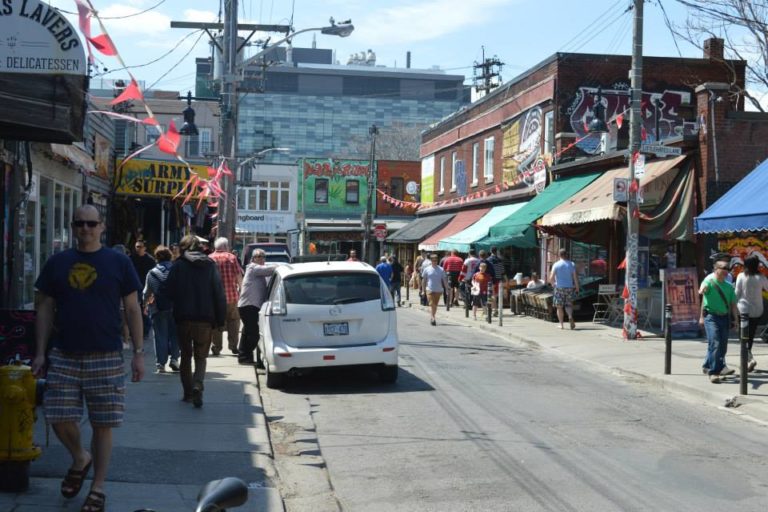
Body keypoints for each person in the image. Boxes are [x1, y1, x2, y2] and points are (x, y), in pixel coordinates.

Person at [32, 205, 144, 512]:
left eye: (91, 223)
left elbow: (133, 309)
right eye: (80, 223)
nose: (86, 228)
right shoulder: (58, 262)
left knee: (102, 424)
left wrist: (138, 353)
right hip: (64, 353)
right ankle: (81, 457)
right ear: (72, 226)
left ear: (102, 227)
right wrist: (40, 353)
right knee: (57, 415)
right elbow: (44, 308)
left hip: (106, 354)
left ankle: (98, 487)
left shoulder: (118, 262)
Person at [166, 235, 226, 408]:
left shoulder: (178, 265)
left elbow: (168, 291)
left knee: (186, 356)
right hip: (205, 320)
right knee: (201, 357)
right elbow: (219, 295)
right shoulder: (210, 265)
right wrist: (220, 320)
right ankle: (198, 383)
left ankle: (187, 394)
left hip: (183, 319)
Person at [700, 260, 738, 383]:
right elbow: (702, 291)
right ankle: (714, 372)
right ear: (716, 269)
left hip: (724, 317)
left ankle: (708, 365)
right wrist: (702, 290)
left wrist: (736, 320)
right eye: (723, 268)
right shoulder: (709, 282)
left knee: (722, 345)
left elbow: (733, 305)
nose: (726, 270)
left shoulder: (729, 287)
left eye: (727, 268)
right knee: (715, 342)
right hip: (711, 317)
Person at [143, 245, 179, 374]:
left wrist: (144, 305)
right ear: (170, 256)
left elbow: (146, 292)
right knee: (175, 335)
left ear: (156, 258)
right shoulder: (176, 270)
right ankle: (174, 359)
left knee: (160, 336)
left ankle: (161, 364)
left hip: (158, 308)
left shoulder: (152, 273)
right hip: (176, 308)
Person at [237, 249, 276, 366]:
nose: (261, 258)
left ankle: (244, 357)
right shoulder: (253, 268)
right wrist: (283, 266)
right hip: (249, 305)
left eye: (263, 256)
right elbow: (269, 269)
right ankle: (245, 356)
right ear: (253, 258)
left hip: (252, 306)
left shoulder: (260, 271)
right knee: (253, 333)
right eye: (258, 256)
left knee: (247, 332)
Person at [208, 237, 244, 356]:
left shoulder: (210, 258)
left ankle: (217, 347)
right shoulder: (231, 258)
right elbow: (239, 276)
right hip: (232, 296)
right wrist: (242, 290)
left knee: (217, 322)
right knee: (233, 321)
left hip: (214, 299)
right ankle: (233, 346)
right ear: (226, 246)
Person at [735, 254, 768, 372]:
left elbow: (737, 293)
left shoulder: (741, 276)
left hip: (743, 310)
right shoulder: (761, 277)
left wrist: (732, 307)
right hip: (758, 310)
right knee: (751, 335)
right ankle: (747, 360)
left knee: (742, 336)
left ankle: (748, 359)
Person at [130, 240, 156, 341]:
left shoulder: (150, 260)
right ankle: (135, 332)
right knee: (134, 310)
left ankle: (145, 331)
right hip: (134, 288)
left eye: (140, 247)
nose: (138, 249)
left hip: (146, 288)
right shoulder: (131, 258)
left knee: (144, 310)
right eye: (137, 246)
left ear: (145, 248)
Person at [549, 248, 580, 330]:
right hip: (569, 287)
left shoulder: (556, 264)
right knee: (568, 305)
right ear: (566, 255)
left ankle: (561, 325)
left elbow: (551, 277)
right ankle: (570, 316)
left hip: (559, 287)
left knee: (559, 307)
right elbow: (575, 277)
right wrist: (577, 287)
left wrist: (553, 284)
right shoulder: (571, 264)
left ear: (559, 255)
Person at [421, 253, 449, 326]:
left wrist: (446, 289)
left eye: (436, 260)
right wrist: (423, 290)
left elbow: (444, 280)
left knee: (435, 305)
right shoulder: (427, 269)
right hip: (429, 289)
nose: (434, 262)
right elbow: (424, 280)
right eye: (433, 260)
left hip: (438, 290)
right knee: (431, 304)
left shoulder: (441, 269)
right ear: (431, 261)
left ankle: (432, 317)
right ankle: (433, 318)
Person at [487, 247, 507, 315]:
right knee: (495, 295)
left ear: (490, 251)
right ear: (496, 251)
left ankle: (494, 309)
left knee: (492, 295)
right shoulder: (499, 260)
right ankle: (495, 309)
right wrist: (506, 280)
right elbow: (503, 271)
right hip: (498, 280)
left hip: (491, 280)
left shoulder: (488, 260)